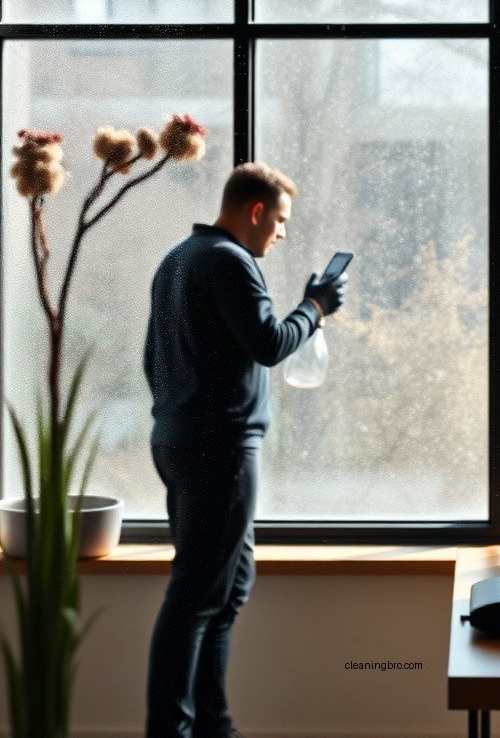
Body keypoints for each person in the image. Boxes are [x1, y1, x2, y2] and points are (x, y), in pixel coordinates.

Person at [144, 162, 347, 738]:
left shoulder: (178, 259)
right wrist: (317, 307)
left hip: (181, 441)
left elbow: (152, 358)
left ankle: (215, 726)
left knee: (225, 591)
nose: (281, 233)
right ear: (255, 211)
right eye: (279, 220)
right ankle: (174, 732)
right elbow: (268, 343)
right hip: (220, 449)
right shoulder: (230, 261)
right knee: (194, 598)